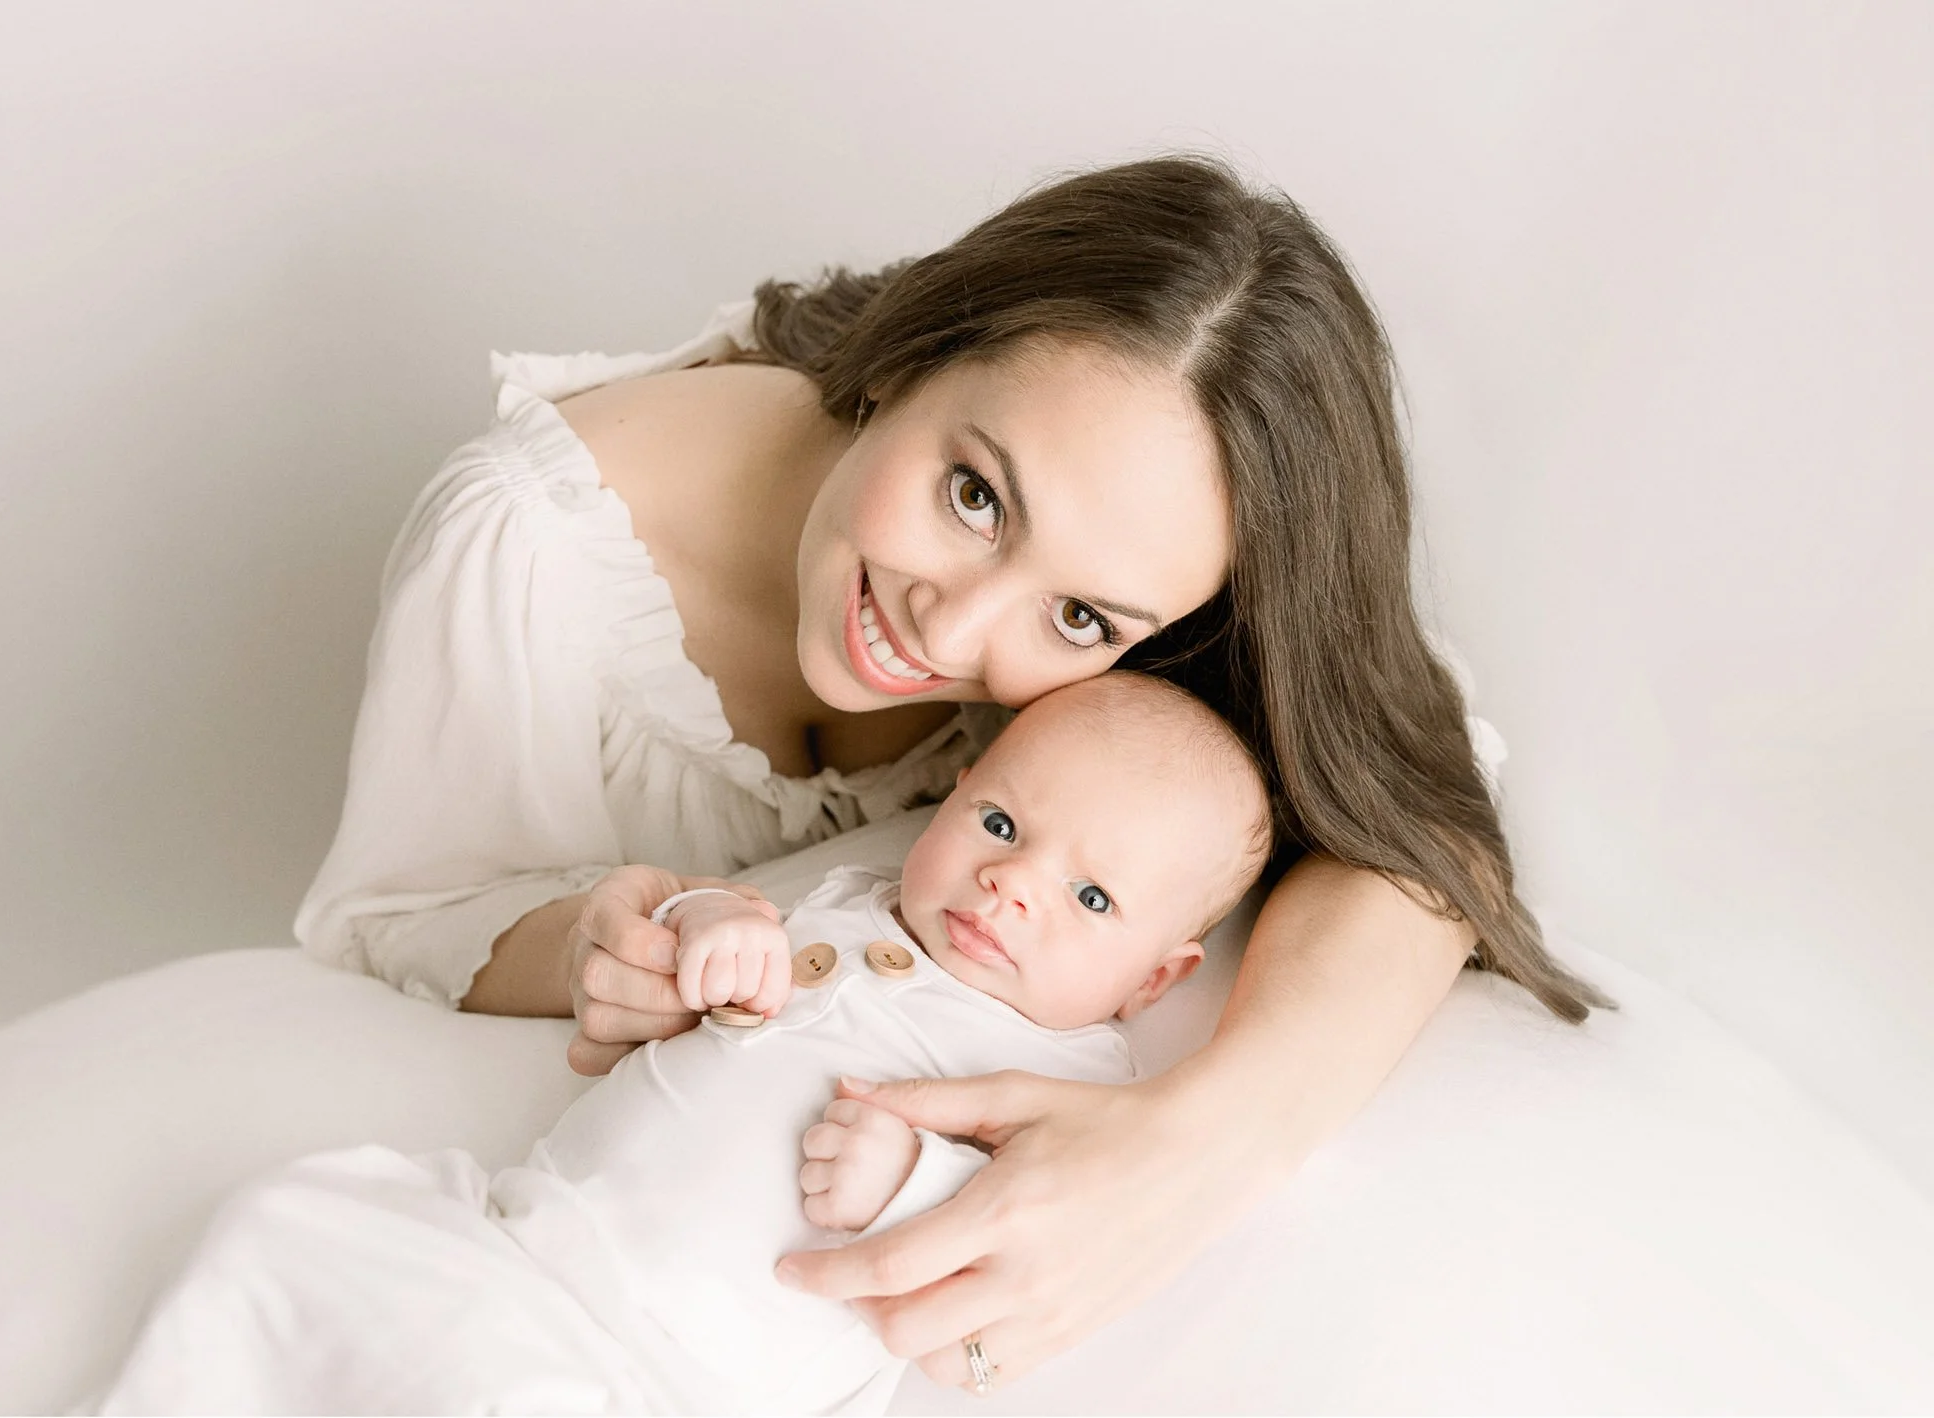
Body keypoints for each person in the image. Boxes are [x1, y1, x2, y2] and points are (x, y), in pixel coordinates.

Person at [295, 154, 1607, 1394]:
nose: (958, 636)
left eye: (1083, 621)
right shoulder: (529, 549)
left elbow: (1421, 834)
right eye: (977, 495)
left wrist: (1190, 1152)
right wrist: (594, 940)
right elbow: (404, 907)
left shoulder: (1162, 584)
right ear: (918, 350)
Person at [96, 675, 1271, 1414]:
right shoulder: (847, 900)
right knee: (294, 1223)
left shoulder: (1068, 1077)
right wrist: (705, 922)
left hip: (676, 1376)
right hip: (523, 1242)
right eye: (1002, 823)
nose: (1012, 884)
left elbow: (1013, 1233)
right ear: (957, 792)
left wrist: (908, 1178)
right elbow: (682, 935)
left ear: (1154, 979)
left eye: (1092, 900)